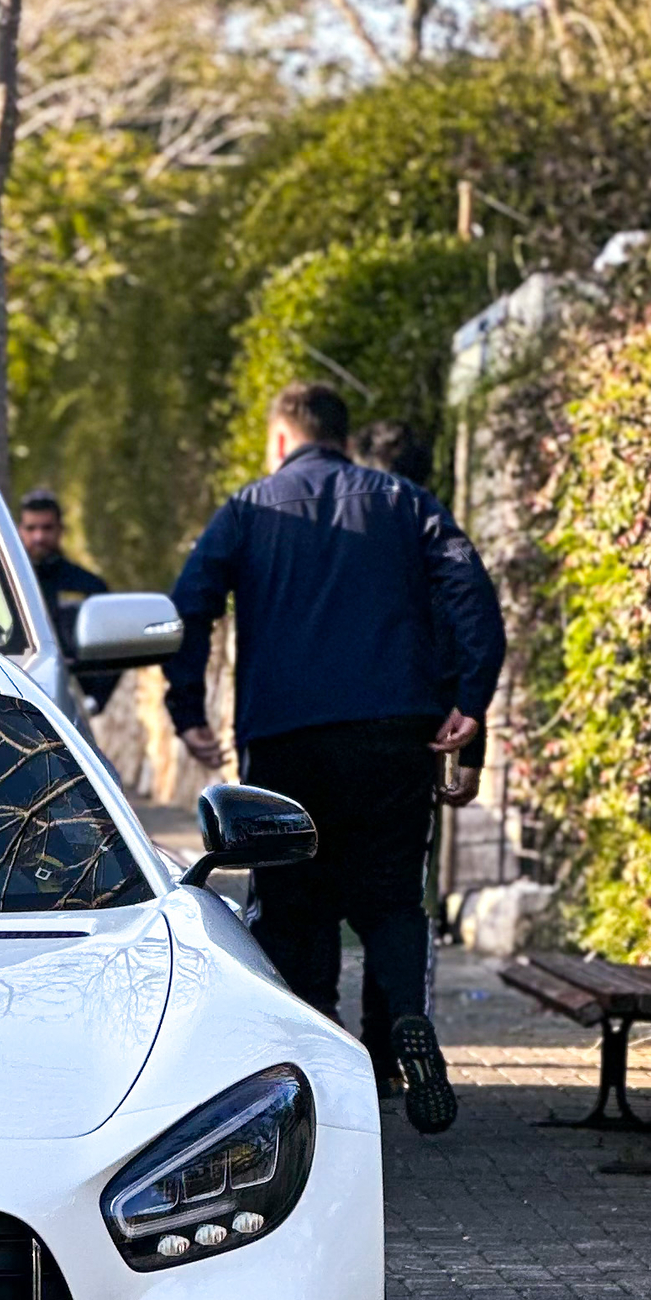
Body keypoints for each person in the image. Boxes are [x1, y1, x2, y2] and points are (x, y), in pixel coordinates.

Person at [165, 380, 504, 1135]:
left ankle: (316, 1066)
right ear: (343, 439)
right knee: (390, 899)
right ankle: (408, 1019)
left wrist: (186, 709)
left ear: (280, 439)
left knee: (294, 905)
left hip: (286, 739)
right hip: (394, 734)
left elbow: (189, 604)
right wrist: (469, 702)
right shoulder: (403, 501)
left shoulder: (249, 507)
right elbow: (470, 591)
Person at [16, 488, 120, 711]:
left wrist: (94, 701)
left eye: (47, 528)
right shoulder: (5, 585)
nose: (39, 537)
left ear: (60, 530)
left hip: (69, 703)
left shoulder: (88, 586)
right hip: (13, 694)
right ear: (19, 530)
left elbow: (113, 644)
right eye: (31, 528)